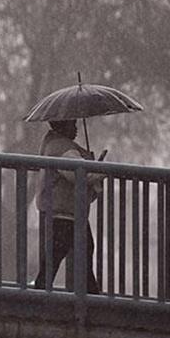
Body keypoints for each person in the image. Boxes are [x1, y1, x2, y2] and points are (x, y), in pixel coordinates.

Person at [32, 119, 104, 294]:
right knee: (77, 254)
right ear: (63, 126)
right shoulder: (62, 149)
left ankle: (41, 291)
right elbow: (78, 173)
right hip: (66, 213)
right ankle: (91, 297)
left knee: (65, 254)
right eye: (73, 124)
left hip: (66, 212)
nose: (77, 129)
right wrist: (99, 170)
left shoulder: (55, 146)